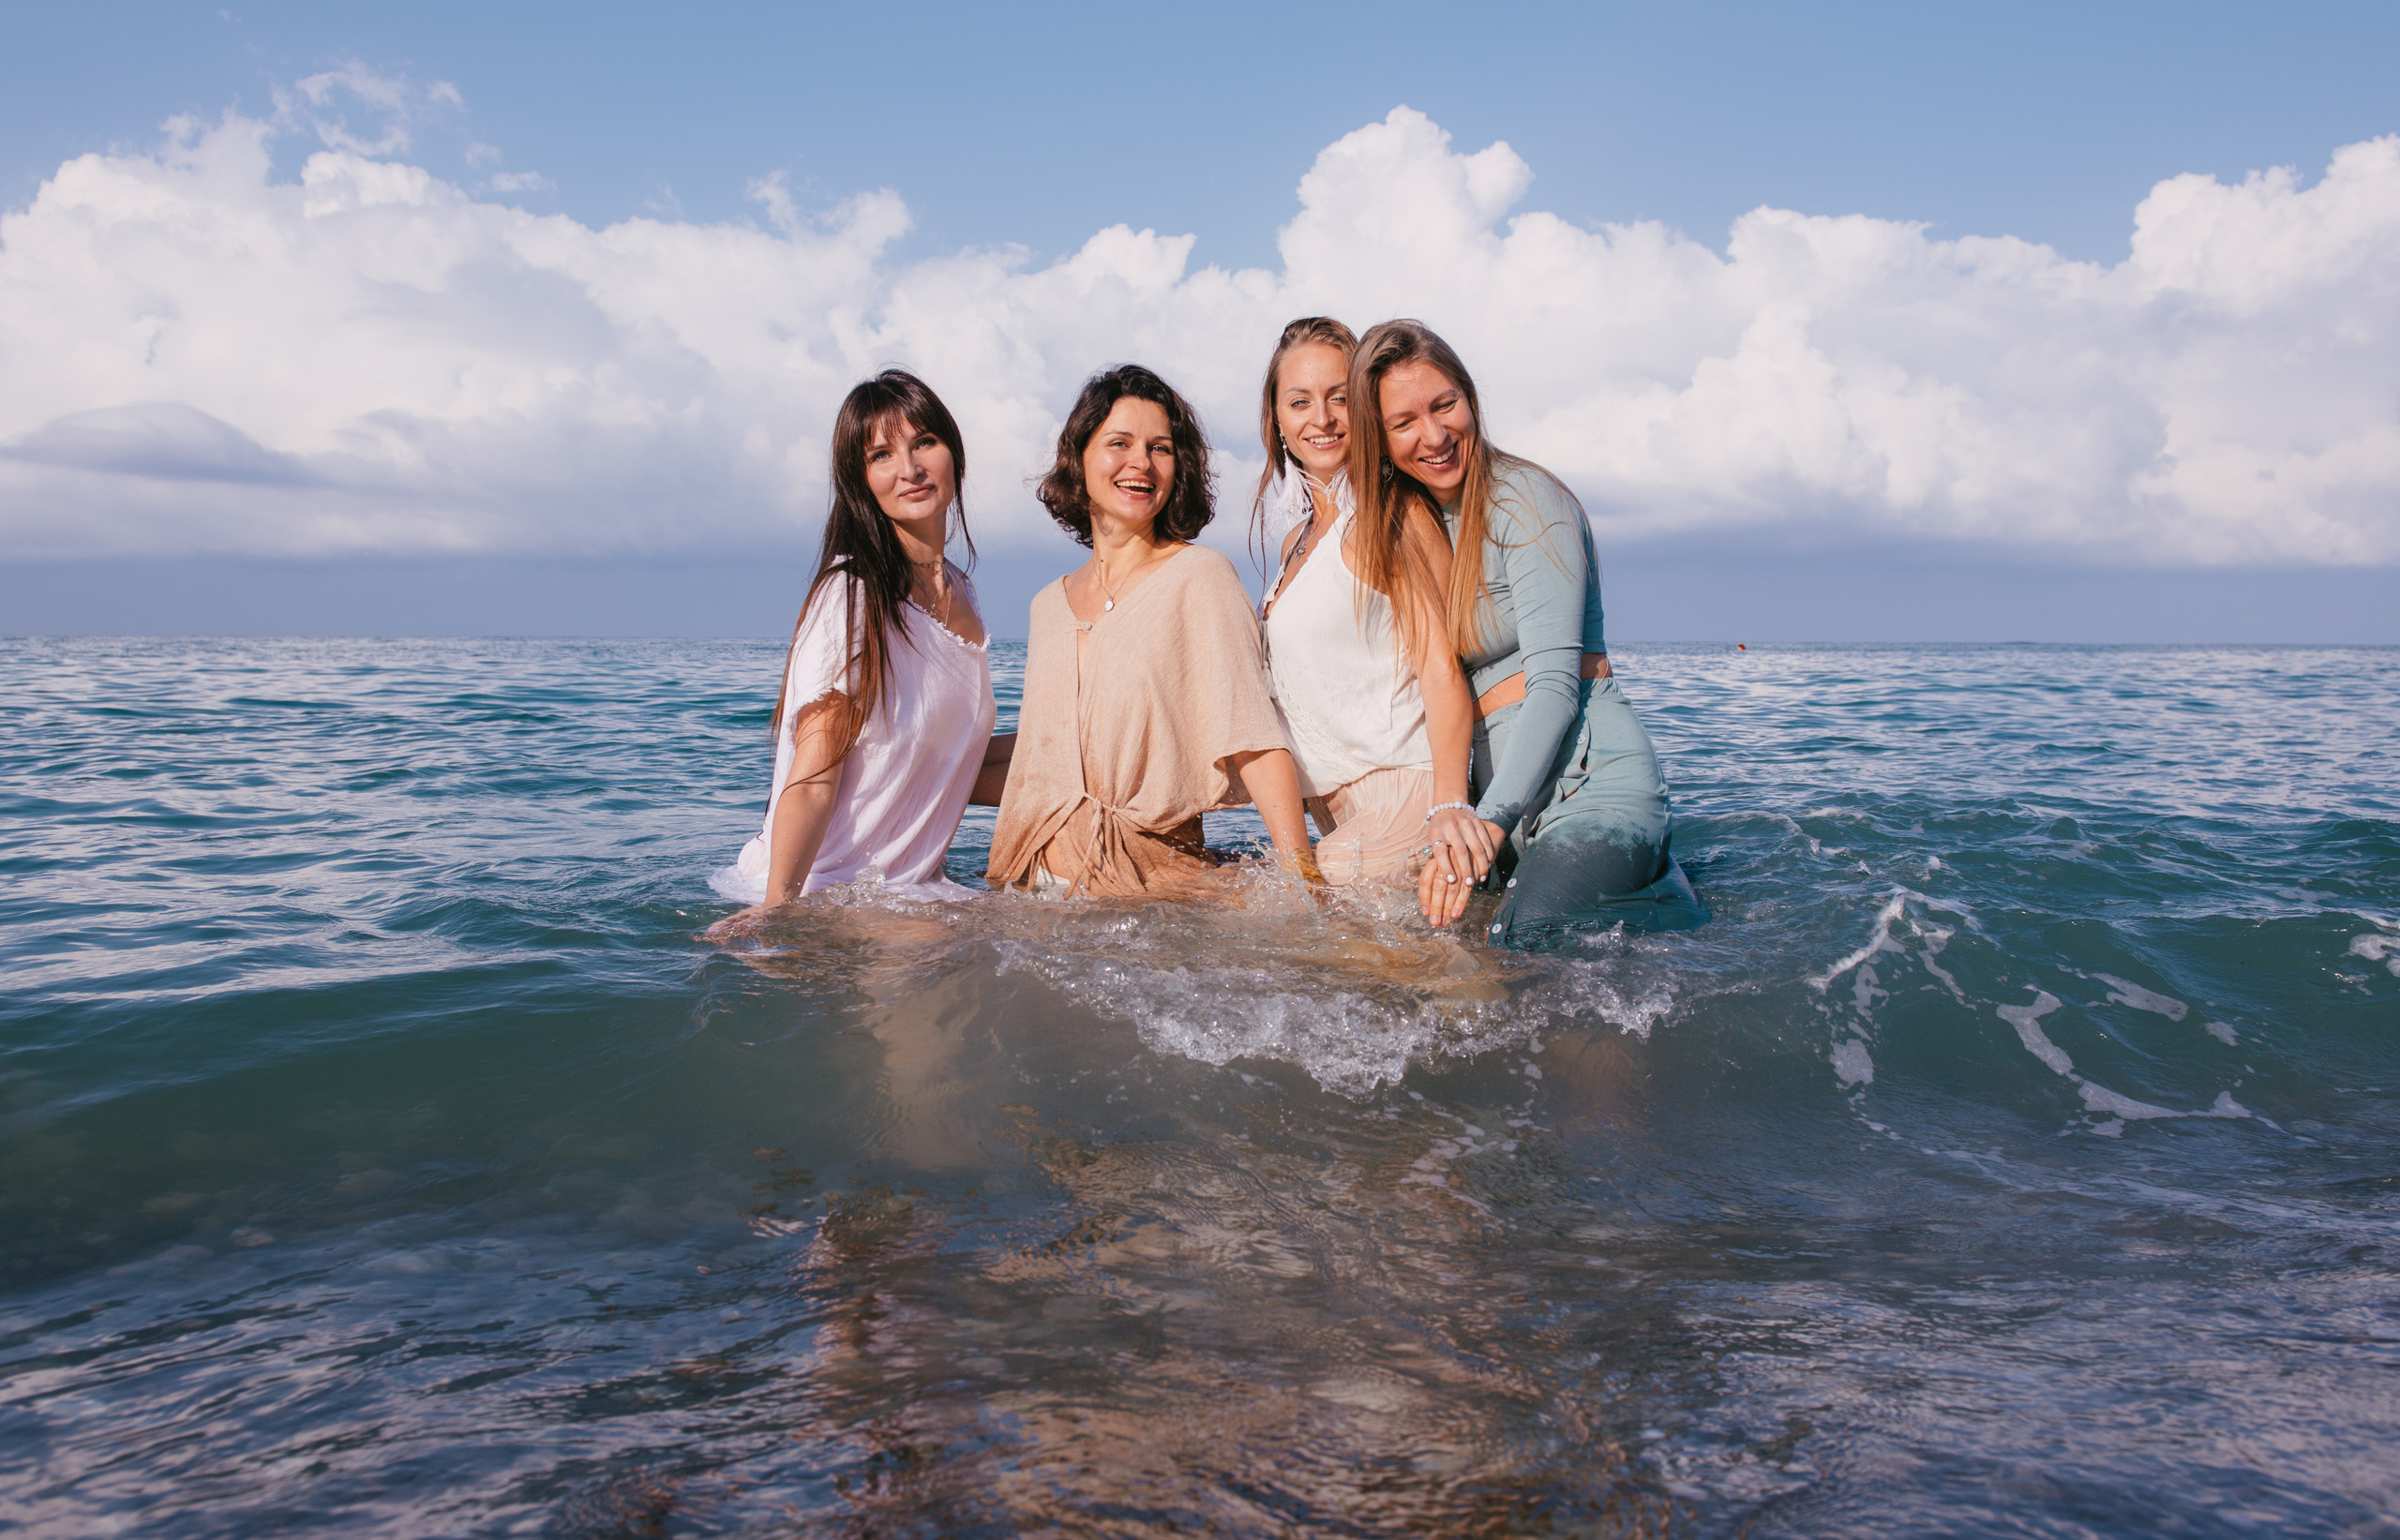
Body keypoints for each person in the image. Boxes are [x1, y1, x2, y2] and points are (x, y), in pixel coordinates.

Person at [1350, 320, 1706, 944]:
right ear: (1377, 438)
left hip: (1589, 788)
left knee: (1527, 948)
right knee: (1427, 953)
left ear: (1471, 399)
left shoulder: (1525, 499)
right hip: (1510, 805)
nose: (1434, 435)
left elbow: (1553, 688)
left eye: (1445, 405)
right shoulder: (1415, 524)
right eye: (1404, 422)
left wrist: (1483, 824)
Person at [986, 364, 1319, 897]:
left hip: (1147, 888)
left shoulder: (1199, 576)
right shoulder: (1047, 605)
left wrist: (1305, 880)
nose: (1140, 462)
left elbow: (1253, 737)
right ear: (1080, 458)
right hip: (1028, 890)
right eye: (1119, 442)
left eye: (1160, 448)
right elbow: (1040, 761)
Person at [712, 369, 1002, 916]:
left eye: (924, 443)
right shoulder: (851, 596)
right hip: (827, 888)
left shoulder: (963, 593)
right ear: (859, 479)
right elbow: (814, 778)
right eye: (881, 456)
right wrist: (776, 915)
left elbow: (956, 762)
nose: (910, 469)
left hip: (912, 890)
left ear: (953, 455)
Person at [1252, 317, 1492, 915]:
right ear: (1277, 420)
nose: (1322, 418)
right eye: (1300, 401)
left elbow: (1441, 672)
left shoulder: (1390, 518)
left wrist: (1449, 807)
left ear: (1364, 406)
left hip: (1404, 795)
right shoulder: (1294, 545)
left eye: (1339, 398)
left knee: (1266, 929)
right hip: (1333, 813)